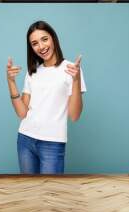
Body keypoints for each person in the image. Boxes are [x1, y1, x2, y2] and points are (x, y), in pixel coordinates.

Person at [6, 20, 87, 174]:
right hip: (25, 139)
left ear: (53, 38)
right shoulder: (33, 72)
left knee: (50, 194)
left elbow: (74, 115)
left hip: (53, 143)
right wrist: (10, 82)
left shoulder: (71, 70)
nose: (41, 47)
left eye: (44, 39)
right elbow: (22, 113)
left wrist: (75, 80)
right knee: (30, 191)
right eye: (35, 43)